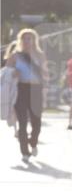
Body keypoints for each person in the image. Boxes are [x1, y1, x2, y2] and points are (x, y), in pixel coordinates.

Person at [6, 29, 47, 163]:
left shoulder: (40, 55)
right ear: (20, 40)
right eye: (24, 38)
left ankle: (33, 142)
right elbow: (6, 73)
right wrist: (13, 72)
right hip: (21, 89)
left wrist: (45, 91)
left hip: (36, 89)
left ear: (34, 40)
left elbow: (45, 75)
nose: (27, 41)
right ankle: (24, 152)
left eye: (30, 38)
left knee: (37, 123)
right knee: (22, 123)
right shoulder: (15, 55)